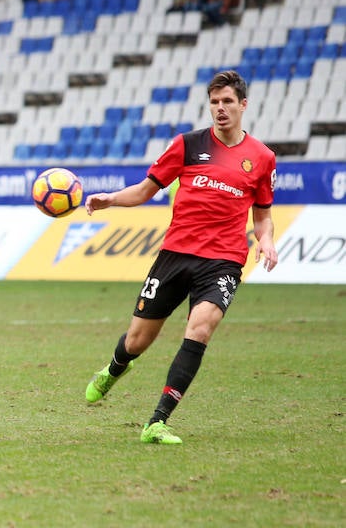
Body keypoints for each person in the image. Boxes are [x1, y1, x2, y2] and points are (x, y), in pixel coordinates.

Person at [83, 70, 277, 445]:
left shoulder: (262, 158)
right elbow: (143, 191)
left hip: (223, 261)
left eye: (227, 102)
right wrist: (109, 199)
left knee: (200, 328)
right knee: (138, 340)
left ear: (243, 105)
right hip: (176, 254)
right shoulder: (187, 145)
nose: (220, 109)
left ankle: (157, 421)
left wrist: (267, 241)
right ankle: (115, 367)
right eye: (214, 102)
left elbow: (264, 214)